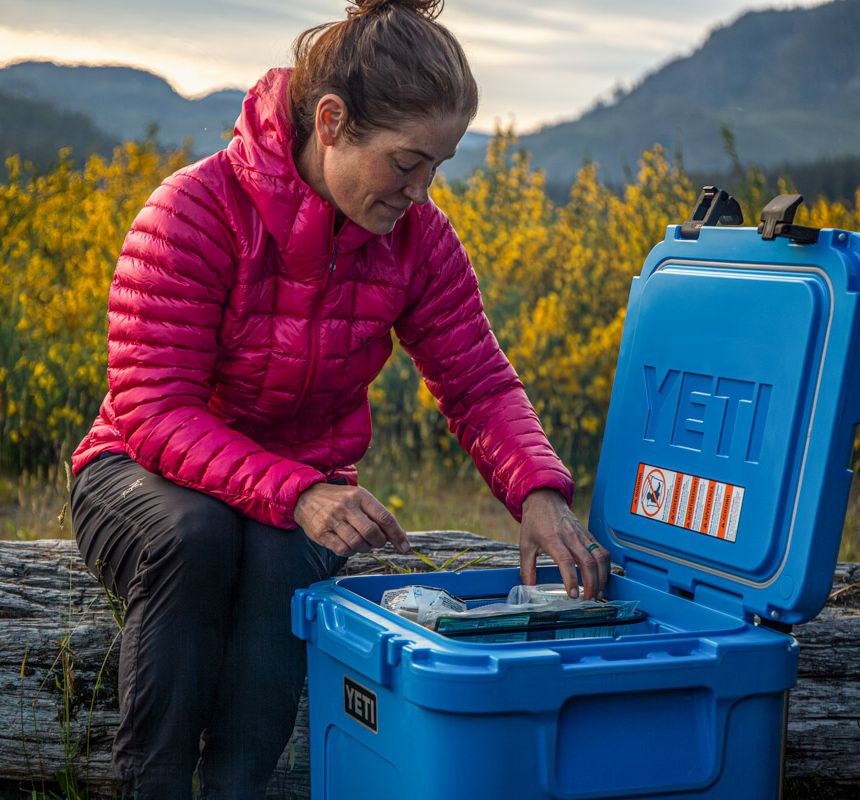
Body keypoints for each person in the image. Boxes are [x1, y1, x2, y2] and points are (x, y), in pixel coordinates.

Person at [69, 0, 610, 796]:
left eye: (438, 166)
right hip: (140, 474)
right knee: (200, 536)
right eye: (405, 162)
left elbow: (476, 379)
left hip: (295, 495)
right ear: (330, 121)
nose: (421, 191)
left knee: (284, 558)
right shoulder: (194, 210)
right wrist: (297, 490)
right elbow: (154, 410)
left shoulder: (418, 241)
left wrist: (537, 490)